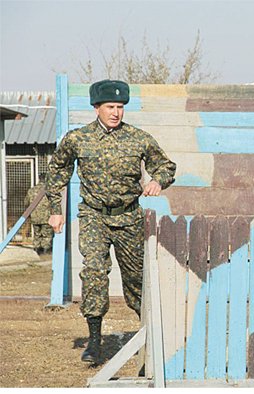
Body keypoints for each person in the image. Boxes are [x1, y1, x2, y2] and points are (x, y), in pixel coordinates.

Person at [45, 79, 177, 364]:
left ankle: (152, 337)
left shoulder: (138, 138)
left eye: (119, 107)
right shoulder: (78, 139)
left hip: (128, 217)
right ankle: (95, 341)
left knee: (136, 282)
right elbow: (57, 171)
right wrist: (56, 209)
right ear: (96, 108)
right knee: (93, 272)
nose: (116, 112)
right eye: (110, 107)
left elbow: (166, 166)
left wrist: (157, 181)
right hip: (93, 216)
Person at [24, 173, 53, 256]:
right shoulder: (49, 190)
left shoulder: (32, 190)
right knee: (47, 235)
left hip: (34, 216)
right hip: (46, 216)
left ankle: (37, 250)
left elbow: (26, 203)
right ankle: (46, 251)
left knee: (37, 234)